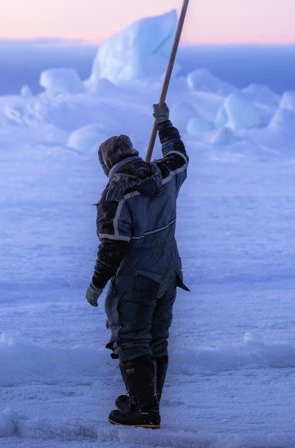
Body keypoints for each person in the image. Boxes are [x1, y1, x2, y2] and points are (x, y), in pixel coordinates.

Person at [85, 102, 189, 429]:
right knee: (157, 339)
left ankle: (144, 411)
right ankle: (145, 400)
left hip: (137, 278)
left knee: (131, 339)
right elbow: (180, 155)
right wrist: (165, 126)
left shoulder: (115, 195)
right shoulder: (165, 172)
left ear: (107, 165)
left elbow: (113, 247)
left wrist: (97, 284)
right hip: (167, 271)